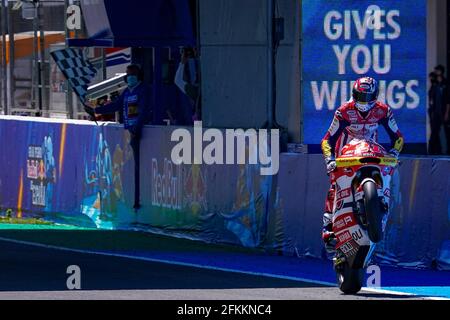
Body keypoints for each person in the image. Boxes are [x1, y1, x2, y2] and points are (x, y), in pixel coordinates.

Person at [320, 77, 404, 253]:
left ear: (375, 95)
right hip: (346, 151)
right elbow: (327, 139)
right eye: (359, 95)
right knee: (335, 183)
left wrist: (394, 153)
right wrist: (330, 159)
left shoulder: (383, 110)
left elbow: (398, 138)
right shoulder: (343, 111)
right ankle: (327, 227)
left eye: (367, 96)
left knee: (387, 173)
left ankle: (379, 205)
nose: (363, 100)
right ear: (353, 94)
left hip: (371, 150)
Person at [85, 64, 152, 210]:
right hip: (128, 131)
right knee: (128, 165)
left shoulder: (143, 90)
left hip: (138, 132)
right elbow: (115, 105)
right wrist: (96, 110)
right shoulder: (127, 92)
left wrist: (137, 128)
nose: (130, 77)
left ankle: (138, 200)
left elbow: (144, 111)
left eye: (132, 74)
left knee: (139, 166)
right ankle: (131, 199)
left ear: (138, 75)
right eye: (128, 75)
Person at [174, 47, 201, 121]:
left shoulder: (197, 92)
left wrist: (182, 62)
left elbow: (177, 80)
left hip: (201, 124)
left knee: (197, 131)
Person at [428, 71, 448, 155]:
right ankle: (433, 150)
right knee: (435, 132)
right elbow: (432, 101)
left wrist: (446, 113)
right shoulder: (434, 87)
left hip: (440, 113)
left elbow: (446, 102)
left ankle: (440, 150)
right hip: (435, 113)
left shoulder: (443, 87)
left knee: (443, 132)